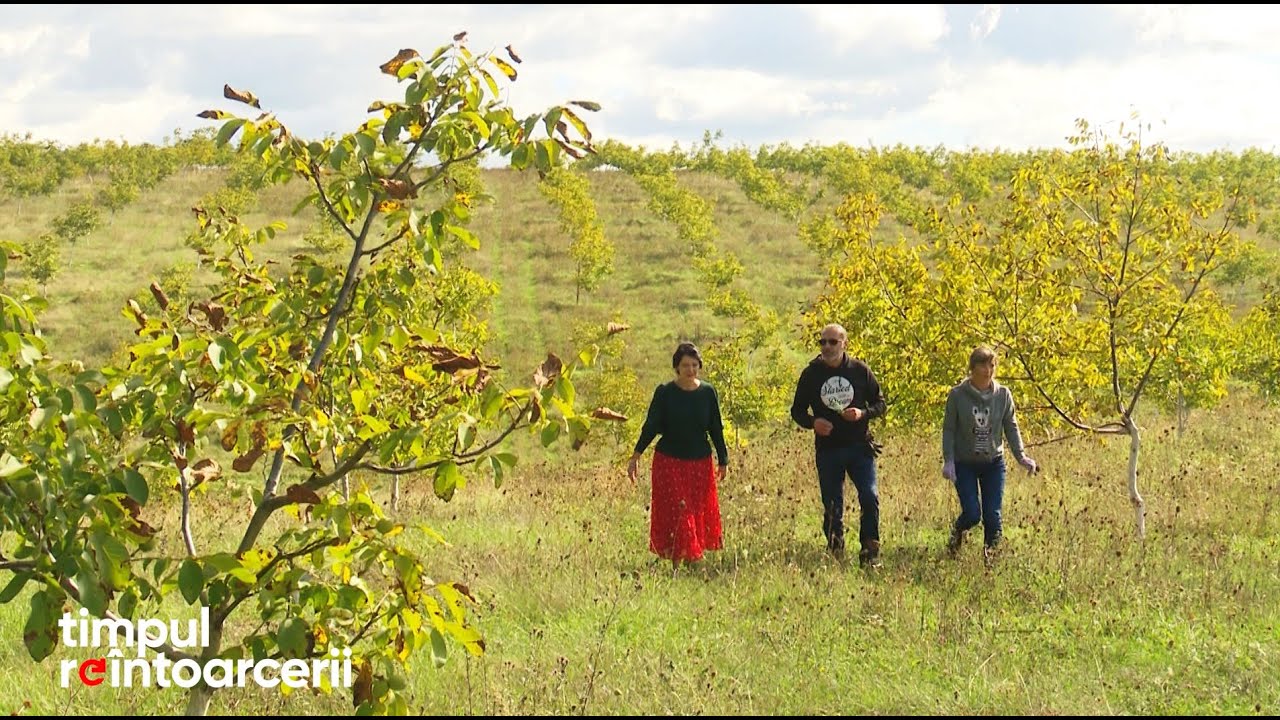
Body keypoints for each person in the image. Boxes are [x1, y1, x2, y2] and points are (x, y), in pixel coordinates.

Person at [790, 323, 887, 567]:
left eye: (832, 342)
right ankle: (835, 551)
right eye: (822, 342)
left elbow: (880, 404)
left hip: (859, 447)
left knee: (870, 496)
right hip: (828, 449)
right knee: (833, 505)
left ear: (844, 343)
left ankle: (870, 551)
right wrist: (814, 423)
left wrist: (862, 413)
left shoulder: (859, 370)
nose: (827, 347)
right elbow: (797, 411)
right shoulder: (811, 374)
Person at [627, 342, 729, 573]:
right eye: (685, 365)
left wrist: (723, 458)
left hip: (699, 461)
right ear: (676, 367)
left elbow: (716, 427)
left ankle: (692, 559)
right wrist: (636, 455)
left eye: (694, 365)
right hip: (669, 461)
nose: (690, 370)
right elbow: (651, 425)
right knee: (678, 511)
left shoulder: (708, 392)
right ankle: (679, 561)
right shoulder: (665, 392)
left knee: (694, 510)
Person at [941, 346, 1038, 565]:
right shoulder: (957, 395)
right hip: (964, 463)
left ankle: (991, 561)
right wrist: (948, 460)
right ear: (972, 368)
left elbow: (1011, 427)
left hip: (993, 463)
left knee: (993, 516)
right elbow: (949, 428)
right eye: (983, 365)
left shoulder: (1003, 395)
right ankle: (957, 535)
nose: (988, 370)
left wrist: (1021, 456)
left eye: (992, 365)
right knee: (973, 514)